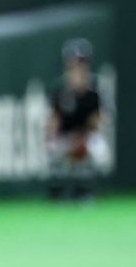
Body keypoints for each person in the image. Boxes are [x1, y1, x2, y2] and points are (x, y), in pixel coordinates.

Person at [46, 37, 109, 201]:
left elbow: (99, 122)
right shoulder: (60, 89)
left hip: (85, 136)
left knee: (99, 148)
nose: (77, 68)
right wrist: (53, 140)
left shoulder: (95, 88)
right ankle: (56, 189)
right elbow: (54, 121)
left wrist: (82, 138)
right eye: (73, 64)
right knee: (53, 148)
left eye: (81, 63)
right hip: (65, 136)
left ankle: (85, 191)